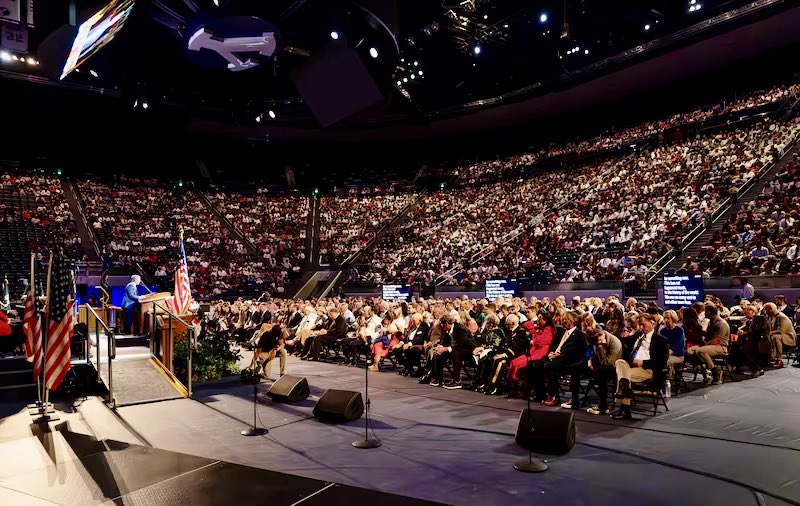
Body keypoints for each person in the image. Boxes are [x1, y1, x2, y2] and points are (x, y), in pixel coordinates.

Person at [611, 313, 669, 420]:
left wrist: (643, 363)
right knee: (619, 362)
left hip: (647, 369)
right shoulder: (638, 335)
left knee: (623, 377)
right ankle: (625, 393)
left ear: (651, 322)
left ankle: (625, 408)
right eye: (640, 325)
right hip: (631, 366)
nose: (641, 327)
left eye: (643, 324)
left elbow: (661, 362)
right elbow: (622, 340)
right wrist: (607, 335)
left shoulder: (661, 340)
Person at [543, 311, 588, 407]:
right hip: (558, 359)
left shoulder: (580, 335)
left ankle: (554, 396)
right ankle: (549, 395)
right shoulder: (562, 332)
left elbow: (577, 353)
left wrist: (558, 355)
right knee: (541, 364)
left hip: (570, 362)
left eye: (565, 319)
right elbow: (554, 345)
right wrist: (551, 352)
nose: (563, 321)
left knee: (549, 366)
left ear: (571, 321)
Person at [685, 304, 730, 384]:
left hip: (720, 346)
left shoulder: (721, 323)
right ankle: (705, 371)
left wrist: (704, 345)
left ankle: (714, 372)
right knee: (689, 351)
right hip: (710, 345)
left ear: (709, 312)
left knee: (701, 351)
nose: (703, 313)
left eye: (705, 311)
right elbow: (709, 336)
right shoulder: (711, 322)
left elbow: (716, 340)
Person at [764, 302, 797, 368]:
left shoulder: (782, 317)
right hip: (778, 335)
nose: (765, 312)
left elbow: (781, 331)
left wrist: (769, 333)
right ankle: (768, 356)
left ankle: (779, 359)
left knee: (775, 337)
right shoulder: (770, 317)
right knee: (765, 337)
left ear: (771, 310)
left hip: (788, 337)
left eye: (766, 310)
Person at [660, 310, 685, 381]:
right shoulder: (663, 331)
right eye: (664, 318)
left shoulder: (679, 330)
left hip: (678, 356)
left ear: (673, 318)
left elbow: (677, 346)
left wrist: (665, 354)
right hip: (665, 355)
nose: (665, 320)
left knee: (664, 361)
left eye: (668, 318)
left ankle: (666, 380)